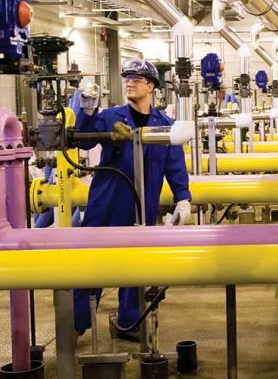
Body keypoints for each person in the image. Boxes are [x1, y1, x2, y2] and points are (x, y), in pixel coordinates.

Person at [72, 59, 192, 340]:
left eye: (137, 79)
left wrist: (183, 199)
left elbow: (175, 165)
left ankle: (128, 322)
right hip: (107, 201)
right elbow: (84, 140)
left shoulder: (165, 125)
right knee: (92, 263)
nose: (130, 82)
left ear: (151, 86)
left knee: (135, 264)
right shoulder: (111, 116)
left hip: (143, 203)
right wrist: (87, 109)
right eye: (127, 77)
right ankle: (76, 324)